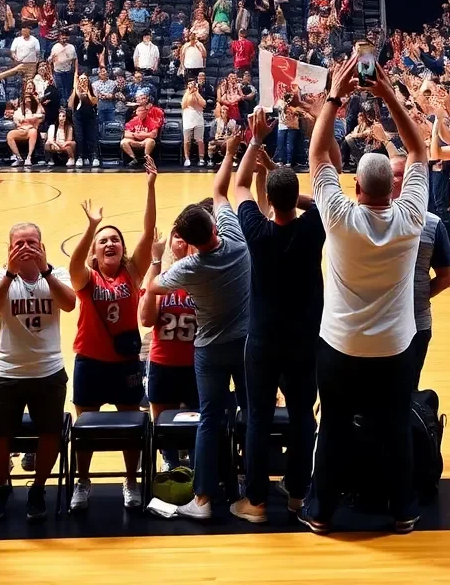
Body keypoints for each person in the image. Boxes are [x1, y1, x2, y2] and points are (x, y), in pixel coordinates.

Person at [300, 55, 429, 535]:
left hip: (340, 344)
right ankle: (403, 510)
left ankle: (320, 511)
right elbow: (418, 154)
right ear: (393, 189)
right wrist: (388, 94)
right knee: (395, 426)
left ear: (355, 186)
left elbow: (316, 158)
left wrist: (335, 97)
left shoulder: (339, 216)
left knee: (332, 427)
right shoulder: (410, 217)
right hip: (395, 346)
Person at [146, 135, 251, 522]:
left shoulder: (189, 268)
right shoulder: (238, 241)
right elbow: (221, 189)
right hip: (244, 343)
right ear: (212, 223)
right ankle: (248, 491)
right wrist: (231, 151)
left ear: (187, 242)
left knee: (209, 418)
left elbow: (154, 286)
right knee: (248, 413)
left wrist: (160, 262)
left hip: (209, 348)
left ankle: (203, 500)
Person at [230, 111, 325, 524]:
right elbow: (321, 199)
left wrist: (255, 143)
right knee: (304, 414)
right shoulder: (314, 229)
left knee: (258, 416)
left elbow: (237, 186)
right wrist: (280, 180)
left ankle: (255, 502)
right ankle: (298, 496)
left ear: (269, 197)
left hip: (264, 338)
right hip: (306, 337)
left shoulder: (257, 231)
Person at [66, 160, 157, 511]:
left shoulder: (132, 273)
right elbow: (75, 265)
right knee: (84, 427)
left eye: (115, 240)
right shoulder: (87, 279)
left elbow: (148, 235)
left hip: (124, 363)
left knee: (130, 425)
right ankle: (82, 482)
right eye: (104, 241)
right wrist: (92, 227)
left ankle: (131, 481)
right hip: (89, 361)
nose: (110, 244)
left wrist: (150, 187)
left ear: (122, 248)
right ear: (94, 251)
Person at [0, 222, 76, 522]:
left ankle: (38, 488)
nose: (25, 248)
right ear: (9, 249)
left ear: (42, 245)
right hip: (8, 371)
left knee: (50, 434)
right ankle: (1, 487)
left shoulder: (56, 274)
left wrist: (45, 269)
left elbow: (70, 304)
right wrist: (10, 273)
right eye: (19, 243)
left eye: (31, 242)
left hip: (48, 371)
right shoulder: (0, 276)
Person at [392, 154, 450, 387]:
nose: (392, 180)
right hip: (374, 325)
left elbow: (446, 276)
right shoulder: (363, 217)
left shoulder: (432, 224)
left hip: (415, 324)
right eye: (390, 174)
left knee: (408, 390)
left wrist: (417, 295)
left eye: (398, 175)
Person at [138, 230, 198, 472]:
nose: (182, 240)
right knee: (164, 425)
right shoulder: (162, 278)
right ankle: (170, 465)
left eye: (188, 236)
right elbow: (145, 318)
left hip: (196, 365)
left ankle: (196, 469)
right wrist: (155, 260)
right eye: (177, 235)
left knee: (197, 424)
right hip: (163, 364)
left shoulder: (204, 280)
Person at [68, 72, 100, 168]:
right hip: (78, 117)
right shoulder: (75, 91)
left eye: (85, 79)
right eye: (81, 79)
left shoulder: (92, 89)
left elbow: (95, 102)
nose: (83, 81)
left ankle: (94, 157)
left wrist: (87, 92)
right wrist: (75, 90)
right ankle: (80, 157)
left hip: (90, 116)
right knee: (80, 137)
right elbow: (70, 105)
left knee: (92, 137)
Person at [8, 83, 44, 167]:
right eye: (26, 98)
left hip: (31, 130)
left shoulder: (36, 108)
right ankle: (19, 158)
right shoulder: (20, 109)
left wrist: (37, 102)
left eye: (29, 99)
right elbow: (17, 120)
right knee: (10, 135)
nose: (28, 100)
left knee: (33, 132)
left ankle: (29, 157)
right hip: (21, 130)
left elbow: (41, 116)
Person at [120, 98, 163, 166]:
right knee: (123, 142)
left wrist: (143, 135)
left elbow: (154, 135)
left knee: (151, 141)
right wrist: (135, 135)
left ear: (146, 112)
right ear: (136, 112)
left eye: (143, 111)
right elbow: (125, 133)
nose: (142, 112)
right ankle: (133, 158)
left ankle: (146, 158)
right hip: (134, 140)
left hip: (145, 141)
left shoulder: (152, 121)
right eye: (140, 111)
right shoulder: (133, 121)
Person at [181, 78, 207, 168]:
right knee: (187, 141)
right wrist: (189, 91)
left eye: (193, 83)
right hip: (188, 119)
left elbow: (203, 104)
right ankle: (187, 158)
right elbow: (183, 105)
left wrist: (196, 92)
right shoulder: (186, 94)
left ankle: (201, 158)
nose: (192, 85)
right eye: (190, 83)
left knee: (200, 140)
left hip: (198, 119)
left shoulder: (198, 93)